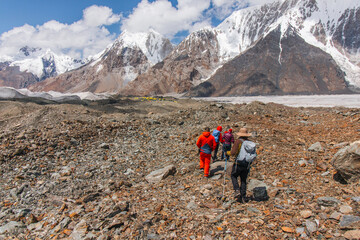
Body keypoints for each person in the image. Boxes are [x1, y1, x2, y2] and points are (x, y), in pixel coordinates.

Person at [227, 128, 256, 203]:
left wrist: (228, 153)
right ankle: (243, 197)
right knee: (243, 180)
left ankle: (237, 190)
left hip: (239, 163)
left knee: (233, 175)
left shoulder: (238, 141)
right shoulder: (250, 143)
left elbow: (233, 152)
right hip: (247, 164)